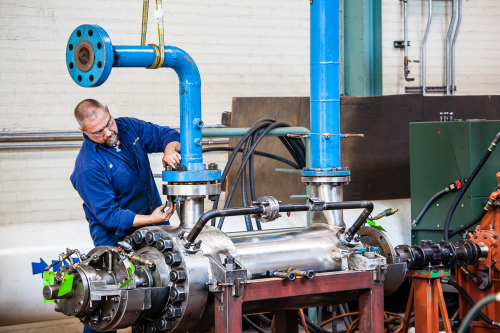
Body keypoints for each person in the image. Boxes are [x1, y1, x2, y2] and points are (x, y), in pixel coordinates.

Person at [70, 99, 181, 333]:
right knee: (110, 303)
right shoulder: (88, 167)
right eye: (98, 132)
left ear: (109, 111)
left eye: (108, 123)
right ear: (84, 131)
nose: (109, 132)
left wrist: (170, 149)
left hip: (153, 227)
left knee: (162, 294)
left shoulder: (128, 127)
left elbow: (166, 134)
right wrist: (152, 218)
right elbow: (110, 216)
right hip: (116, 240)